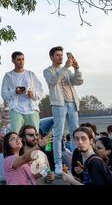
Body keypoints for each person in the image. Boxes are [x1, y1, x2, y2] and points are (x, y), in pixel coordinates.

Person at [43, 46, 83, 176]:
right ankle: (58, 163)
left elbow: (78, 81)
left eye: (61, 55)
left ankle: (78, 162)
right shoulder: (48, 71)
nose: (60, 57)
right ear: (51, 57)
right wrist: (66, 67)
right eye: (57, 55)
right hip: (58, 104)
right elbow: (53, 81)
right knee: (58, 134)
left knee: (75, 133)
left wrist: (76, 69)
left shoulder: (66, 71)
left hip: (72, 103)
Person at [1, 51, 43, 133]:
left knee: (34, 135)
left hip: (31, 109)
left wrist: (32, 94)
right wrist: (15, 92)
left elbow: (40, 92)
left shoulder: (31, 74)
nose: (21, 61)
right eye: (18, 59)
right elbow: (4, 94)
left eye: (23, 59)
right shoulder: (8, 76)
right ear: (13, 61)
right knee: (16, 135)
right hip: (16, 110)